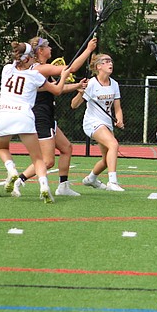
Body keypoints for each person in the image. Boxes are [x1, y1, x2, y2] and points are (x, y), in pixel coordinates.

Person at [11, 36, 97, 198]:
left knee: (66, 148)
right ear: (40, 51)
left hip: (48, 116)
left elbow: (58, 88)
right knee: (48, 161)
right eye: (48, 46)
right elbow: (70, 69)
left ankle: (63, 186)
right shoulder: (38, 69)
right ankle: (19, 180)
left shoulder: (41, 69)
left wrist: (77, 86)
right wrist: (88, 50)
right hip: (40, 117)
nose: (51, 48)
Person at [0, 42, 70, 202]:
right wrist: (63, 77)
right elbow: (57, 90)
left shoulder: (6, 69)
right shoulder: (34, 75)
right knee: (37, 158)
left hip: (3, 114)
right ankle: (44, 186)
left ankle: (11, 169)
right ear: (29, 58)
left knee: (2, 148)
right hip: (24, 116)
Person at [71, 53, 125, 191]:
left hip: (106, 123)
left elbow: (117, 108)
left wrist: (119, 119)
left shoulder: (114, 84)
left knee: (106, 160)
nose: (110, 64)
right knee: (114, 144)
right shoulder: (91, 84)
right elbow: (74, 105)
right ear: (98, 66)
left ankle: (91, 179)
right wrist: (80, 92)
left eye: (111, 61)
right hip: (92, 122)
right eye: (106, 61)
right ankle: (112, 182)